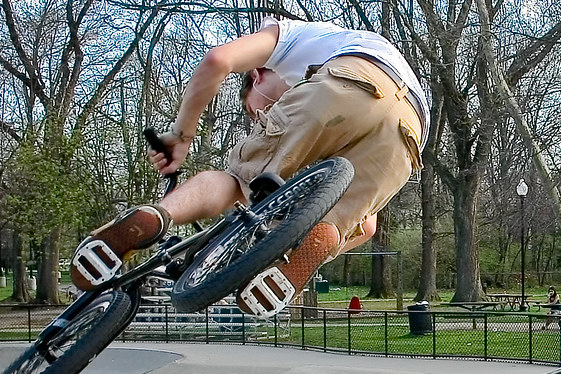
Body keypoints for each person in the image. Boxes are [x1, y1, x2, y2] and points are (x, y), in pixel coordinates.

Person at [70, 17, 430, 317]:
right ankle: (303, 256)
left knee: (236, 179)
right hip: (411, 129)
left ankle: (157, 216)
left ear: (258, 76)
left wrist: (180, 135)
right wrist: (311, 239)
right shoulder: (340, 42)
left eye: (251, 107)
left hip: (351, 78)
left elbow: (217, 61)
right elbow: (367, 228)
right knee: (341, 222)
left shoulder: (285, 37)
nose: (258, 115)